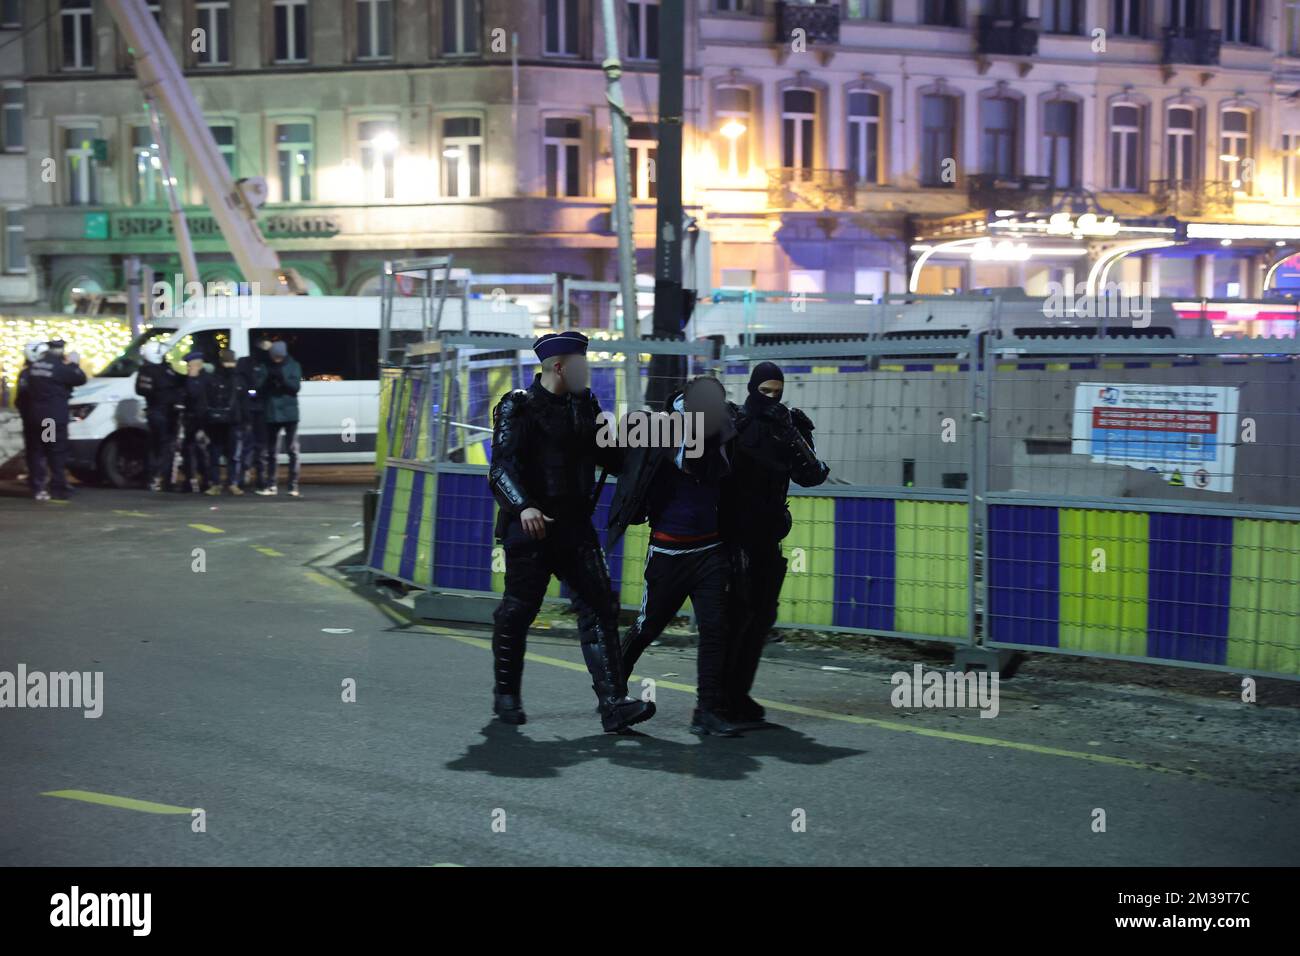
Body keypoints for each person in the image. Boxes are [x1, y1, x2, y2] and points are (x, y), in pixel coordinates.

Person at [487, 330, 652, 733]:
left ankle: (614, 703)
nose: (588, 370)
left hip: (575, 528)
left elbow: (609, 456)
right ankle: (506, 694)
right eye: (582, 363)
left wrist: (647, 440)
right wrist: (523, 505)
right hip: (532, 529)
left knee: (599, 607)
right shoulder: (518, 407)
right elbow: (500, 469)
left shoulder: (586, 405)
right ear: (560, 366)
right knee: (519, 610)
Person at [607, 375, 741, 736]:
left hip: (710, 550)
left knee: (715, 629)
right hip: (668, 550)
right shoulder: (664, 431)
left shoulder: (725, 427)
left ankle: (708, 710)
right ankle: (611, 697)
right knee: (648, 626)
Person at [719, 362, 830, 729]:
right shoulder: (734, 422)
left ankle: (739, 694)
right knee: (737, 617)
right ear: (752, 388)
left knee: (762, 617)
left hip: (768, 536)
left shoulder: (787, 426)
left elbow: (812, 475)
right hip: (734, 535)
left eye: (776, 392)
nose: (770, 398)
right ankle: (718, 699)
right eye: (763, 391)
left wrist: (789, 429)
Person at [22, 339, 87, 501]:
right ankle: (56, 487)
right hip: (50, 419)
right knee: (53, 452)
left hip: (36, 416)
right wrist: (73, 364)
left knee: (38, 451)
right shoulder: (58, 367)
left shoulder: (35, 367)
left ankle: (39, 486)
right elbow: (80, 379)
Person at [134, 341, 184, 491]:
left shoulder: (157, 369)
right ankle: (160, 479)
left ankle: (157, 478)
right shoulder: (151, 371)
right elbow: (164, 388)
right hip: (161, 413)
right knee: (163, 447)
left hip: (163, 413)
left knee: (160, 447)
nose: (165, 356)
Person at [257, 340, 302, 498]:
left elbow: (295, 387)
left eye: (279, 357)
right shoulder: (265, 366)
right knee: (272, 451)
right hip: (272, 413)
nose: (276, 359)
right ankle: (271, 484)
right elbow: (259, 387)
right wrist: (268, 381)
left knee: (292, 450)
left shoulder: (293, 365)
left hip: (289, 414)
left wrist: (282, 380)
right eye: (274, 357)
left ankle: (293, 485)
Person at [203, 349, 244, 495]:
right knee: (227, 454)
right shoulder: (233, 378)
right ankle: (226, 483)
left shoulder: (227, 378)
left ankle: (222, 484)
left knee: (222, 453)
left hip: (226, 421)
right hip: (224, 422)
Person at [236, 336, 271, 492]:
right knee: (247, 445)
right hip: (248, 409)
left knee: (260, 446)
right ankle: (245, 475)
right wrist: (253, 392)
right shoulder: (245, 363)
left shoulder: (267, 364)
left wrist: (256, 392)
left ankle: (260, 477)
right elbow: (245, 386)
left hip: (261, 410)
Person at [179, 350, 211, 493]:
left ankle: (204, 480)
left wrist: (191, 380)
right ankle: (192, 480)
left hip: (202, 421)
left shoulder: (204, 380)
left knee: (201, 451)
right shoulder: (192, 379)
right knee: (190, 450)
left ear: (197, 365)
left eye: (189, 366)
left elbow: (195, 396)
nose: (188, 369)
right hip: (191, 420)